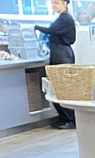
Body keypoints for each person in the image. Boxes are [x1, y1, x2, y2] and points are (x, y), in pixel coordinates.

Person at [36, 0, 76, 129]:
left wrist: (36, 27)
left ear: (65, 3)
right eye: (52, 3)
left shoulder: (65, 18)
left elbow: (51, 30)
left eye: (57, 3)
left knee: (62, 88)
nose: (54, 5)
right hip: (59, 53)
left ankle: (70, 119)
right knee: (56, 88)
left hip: (62, 56)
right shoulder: (60, 18)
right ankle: (63, 117)